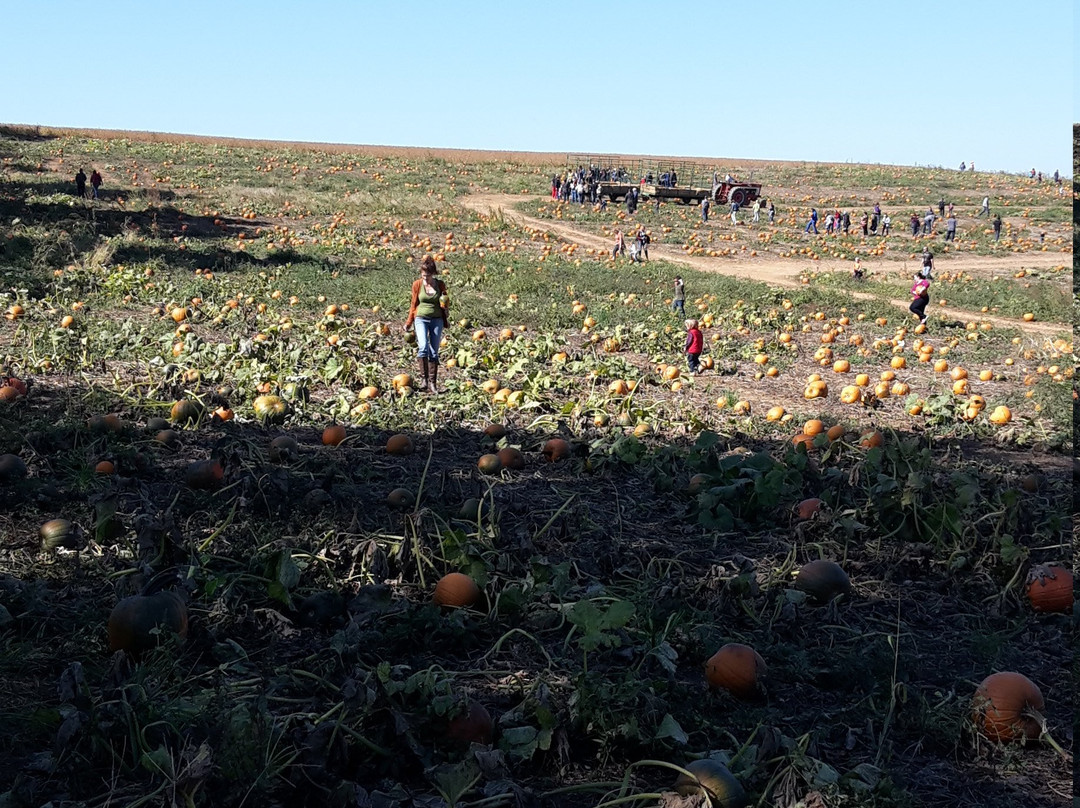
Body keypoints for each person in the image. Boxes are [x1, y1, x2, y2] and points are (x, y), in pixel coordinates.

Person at [404, 255, 450, 394]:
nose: (425, 279)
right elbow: (413, 304)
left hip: (437, 320)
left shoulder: (440, 285)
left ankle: (433, 383)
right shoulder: (417, 285)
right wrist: (409, 322)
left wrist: (445, 309)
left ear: (433, 274)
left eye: (428, 276)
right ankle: (424, 380)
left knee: (434, 351)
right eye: (423, 276)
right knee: (423, 347)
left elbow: (444, 301)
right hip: (421, 318)